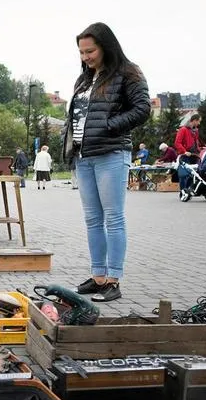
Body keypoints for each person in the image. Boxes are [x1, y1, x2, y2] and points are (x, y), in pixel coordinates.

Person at [61, 22, 150, 302]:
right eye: (81, 52)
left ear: (105, 46)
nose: (85, 57)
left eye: (90, 51)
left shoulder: (128, 72)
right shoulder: (84, 79)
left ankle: (113, 279)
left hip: (111, 154)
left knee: (114, 218)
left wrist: (111, 126)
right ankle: (98, 276)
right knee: (92, 219)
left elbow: (143, 108)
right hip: (84, 156)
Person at [174, 114, 204, 193]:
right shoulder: (183, 129)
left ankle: (188, 189)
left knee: (196, 172)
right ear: (194, 120)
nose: (199, 123)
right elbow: (177, 143)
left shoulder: (195, 131)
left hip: (194, 154)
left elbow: (195, 141)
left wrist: (199, 148)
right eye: (199, 121)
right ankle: (183, 191)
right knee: (184, 174)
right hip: (186, 154)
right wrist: (184, 151)